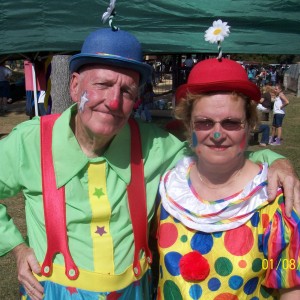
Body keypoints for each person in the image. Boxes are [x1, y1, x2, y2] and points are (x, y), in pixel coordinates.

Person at [0, 28, 299, 300]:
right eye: (103, 85)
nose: (113, 102)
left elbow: (214, 151)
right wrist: (18, 248)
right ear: (75, 86)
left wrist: (276, 160)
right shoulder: (32, 140)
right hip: (52, 293)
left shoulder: (153, 145)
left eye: (127, 91)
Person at [156, 58, 300, 299]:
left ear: (250, 125)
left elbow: (290, 287)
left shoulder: (276, 202)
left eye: (231, 123)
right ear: (190, 127)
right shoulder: (169, 189)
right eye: (204, 123)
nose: (216, 134)